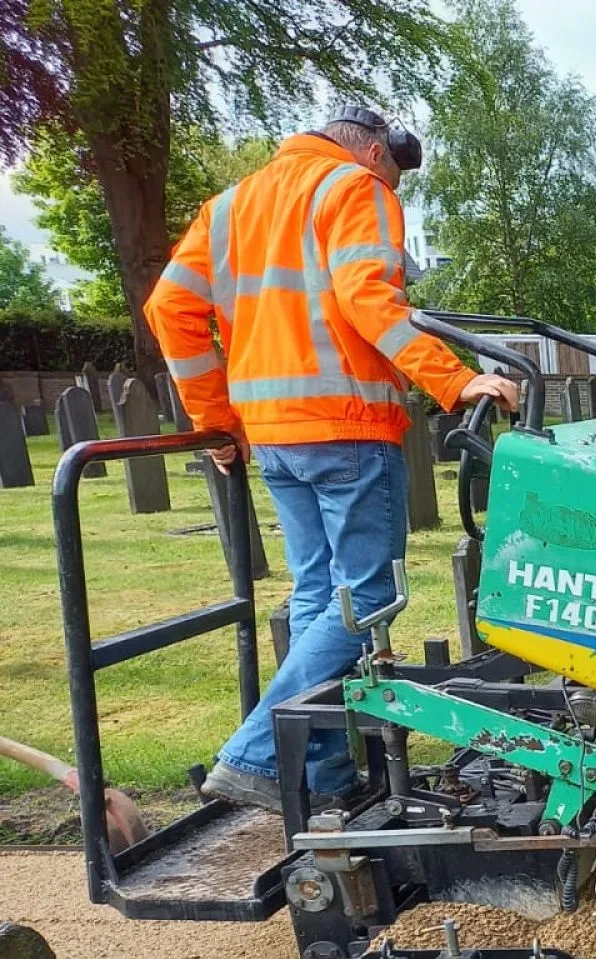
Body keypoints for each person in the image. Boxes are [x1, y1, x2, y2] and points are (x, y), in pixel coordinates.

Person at [145, 105, 518, 813]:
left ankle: (324, 775)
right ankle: (255, 754)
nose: (395, 193)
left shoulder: (228, 207)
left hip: (277, 435)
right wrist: (454, 379)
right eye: (396, 177)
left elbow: (170, 309)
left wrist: (217, 423)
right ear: (375, 152)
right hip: (344, 422)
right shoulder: (353, 190)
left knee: (322, 598)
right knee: (370, 597)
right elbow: (368, 298)